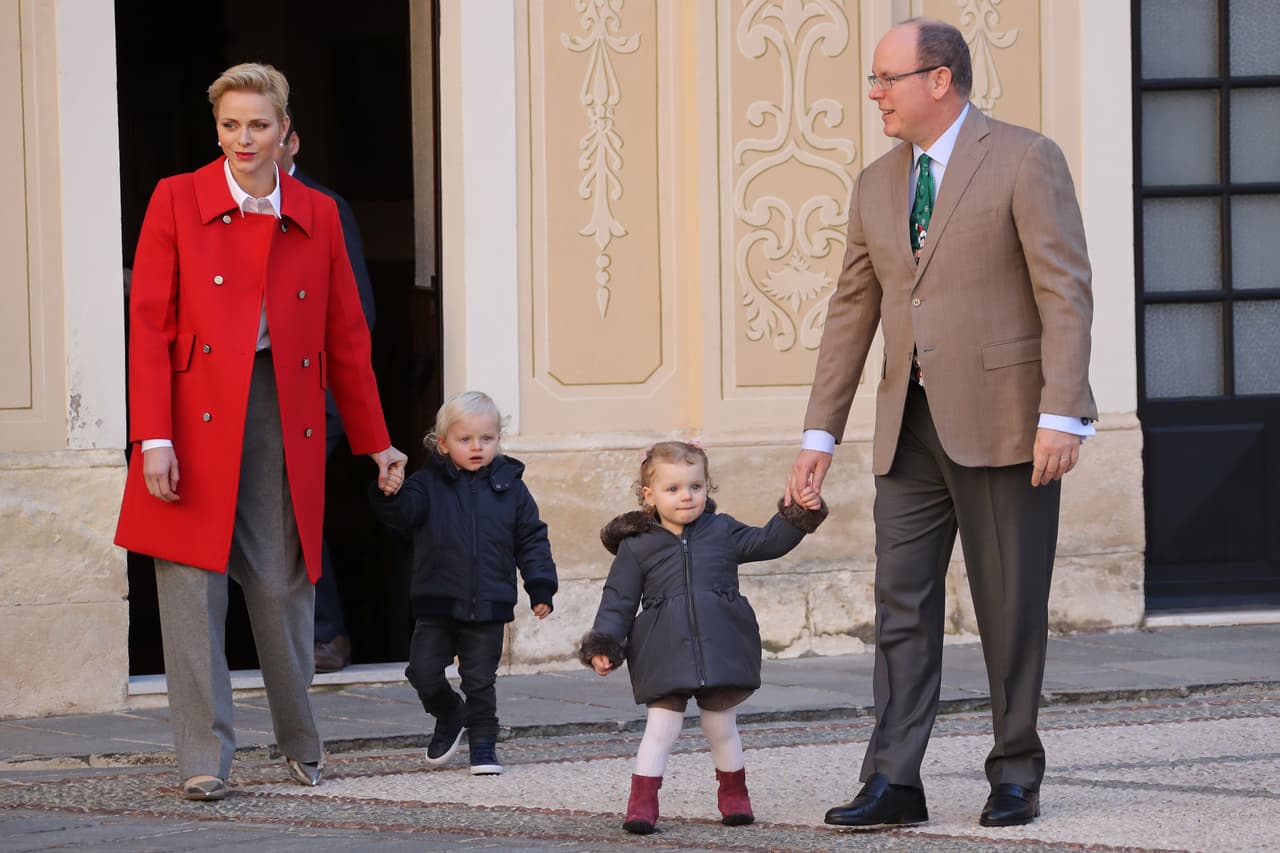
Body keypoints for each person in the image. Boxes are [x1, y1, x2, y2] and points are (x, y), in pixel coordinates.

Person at [785, 18, 1096, 829]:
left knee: (1010, 607)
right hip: (908, 429)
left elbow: (1064, 289)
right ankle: (894, 778)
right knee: (901, 605)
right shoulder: (874, 183)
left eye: (886, 79)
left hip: (1008, 424)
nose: (874, 94)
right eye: (874, 80)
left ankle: (1015, 772)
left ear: (940, 79)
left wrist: (1062, 410)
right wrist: (820, 433)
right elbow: (852, 309)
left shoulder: (1025, 158)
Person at [114, 62, 408, 802]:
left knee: (282, 582)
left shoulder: (317, 212)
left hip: (281, 406)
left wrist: (376, 440)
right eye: (230, 125)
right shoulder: (175, 198)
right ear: (217, 130)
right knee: (191, 588)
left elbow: (347, 337)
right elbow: (149, 326)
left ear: (285, 132)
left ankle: (299, 738)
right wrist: (153, 437)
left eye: (258, 124)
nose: (243, 139)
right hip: (190, 409)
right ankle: (203, 757)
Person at [580, 441, 827, 835]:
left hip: (720, 642)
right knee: (661, 728)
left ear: (707, 487)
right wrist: (605, 643)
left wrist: (800, 510)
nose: (686, 496)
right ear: (649, 495)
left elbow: (768, 541)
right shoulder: (637, 545)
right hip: (663, 647)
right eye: (673, 488)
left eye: (695, 487)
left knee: (720, 726)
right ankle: (642, 803)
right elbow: (618, 599)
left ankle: (734, 794)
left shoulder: (722, 530)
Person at [369, 391, 557, 776]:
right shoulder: (426, 485)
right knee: (422, 671)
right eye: (465, 439)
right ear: (443, 444)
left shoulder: (511, 488)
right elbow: (401, 517)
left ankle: (484, 744)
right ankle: (449, 712)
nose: (476, 447)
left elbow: (531, 539)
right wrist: (389, 492)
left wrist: (540, 585)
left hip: (489, 603)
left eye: (486, 439)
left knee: (480, 680)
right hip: (436, 601)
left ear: (498, 440)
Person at [274, 110, 377, 673]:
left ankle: (325, 633)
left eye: (266, 132)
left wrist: (334, 397)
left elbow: (357, 311)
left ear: (292, 141)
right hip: (250, 392)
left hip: (315, 392)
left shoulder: (324, 205)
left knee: (293, 505)